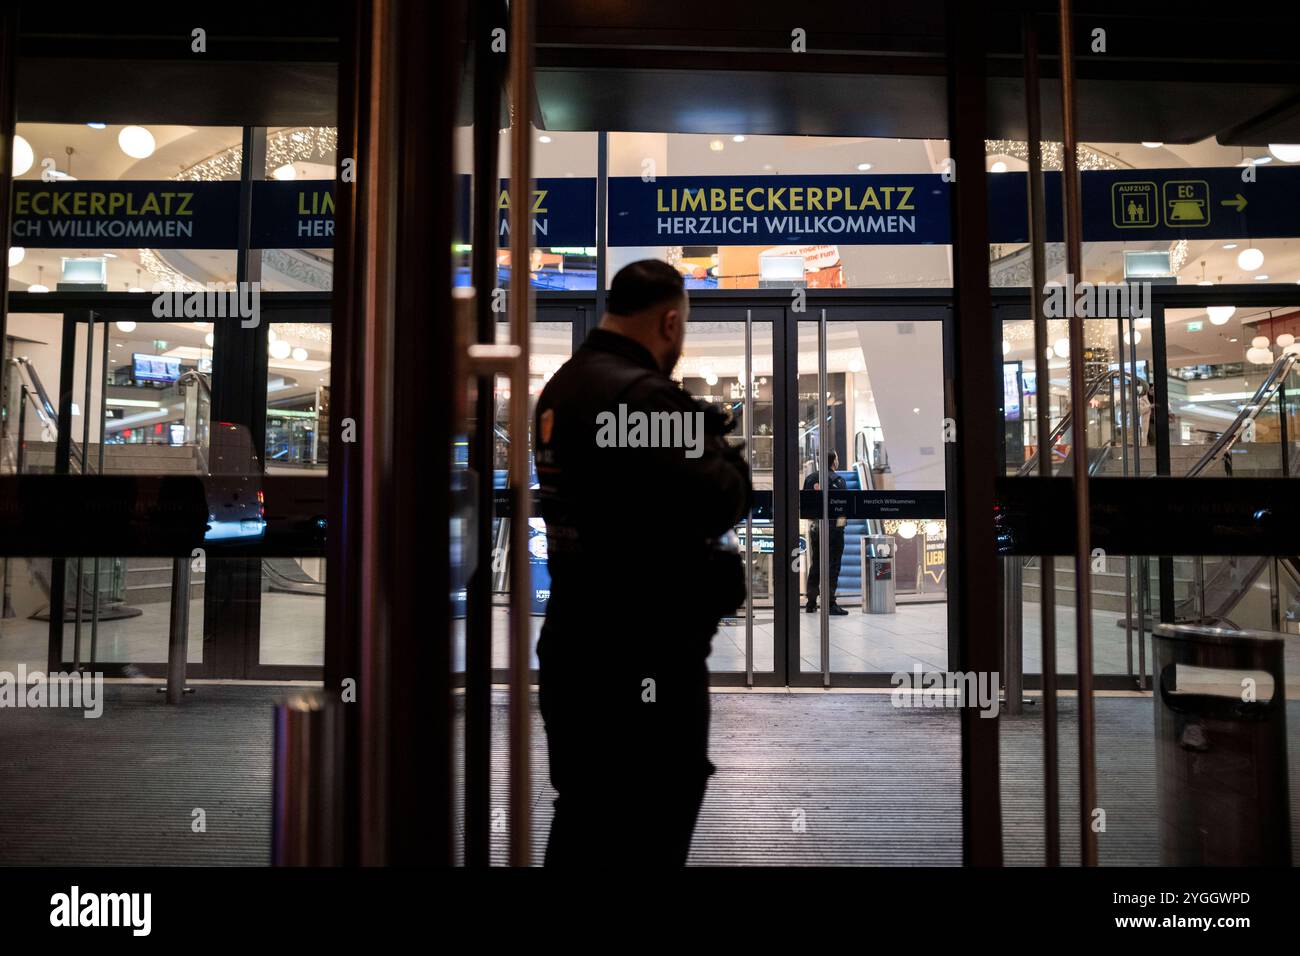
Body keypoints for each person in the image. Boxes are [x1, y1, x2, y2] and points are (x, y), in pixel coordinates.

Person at [533, 259, 751, 866]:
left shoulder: (563, 386)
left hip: (575, 645)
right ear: (671, 321)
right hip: (645, 655)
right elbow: (723, 496)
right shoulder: (642, 395)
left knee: (583, 814)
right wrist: (716, 441)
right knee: (653, 819)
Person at [804, 449, 848, 615]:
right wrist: (840, 527)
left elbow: (806, 505)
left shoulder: (810, 479)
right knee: (832, 565)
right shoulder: (837, 480)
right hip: (833, 529)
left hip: (815, 528)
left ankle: (811, 602)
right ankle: (830, 603)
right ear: (833, 461)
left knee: (816, 563)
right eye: (837, 458)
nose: (837, 461)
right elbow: (844, 507)